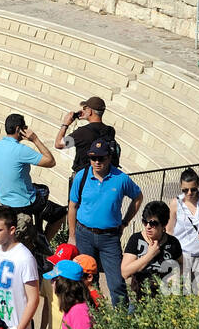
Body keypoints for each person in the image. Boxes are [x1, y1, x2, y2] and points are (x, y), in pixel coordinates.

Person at [68, 139, 143, 308]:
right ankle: (93, 320)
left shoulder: (121, 179)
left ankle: (120, 323)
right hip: (84, 235)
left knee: (116, 282)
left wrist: (125, 222)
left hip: (109, 238)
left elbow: (138, 197)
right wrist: (72, 236)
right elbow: (72, 206)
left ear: (109, 158)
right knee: (87, 280)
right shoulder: (82, 176)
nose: (96, 162)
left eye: (101, 158)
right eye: (93, 158)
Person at [0, 113, 66, 243]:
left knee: (39, 189)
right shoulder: (20, 150)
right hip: (22, 203)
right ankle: (43, 241)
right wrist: (35, 139)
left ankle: (37, 230)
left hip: (5, 199)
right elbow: (51, 161)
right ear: (19, 129)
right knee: (58, 212)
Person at [122, 201, 183, 304]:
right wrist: (149, 255)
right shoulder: (136, 239)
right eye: (145, 222)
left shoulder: (173, 242)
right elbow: (125, 272)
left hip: (165, 300)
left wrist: (174, 276)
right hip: (139, 299)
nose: (148, 227)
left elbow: (183, 264)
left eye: (153, 223)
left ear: (164, 225)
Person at [55, 97, 117, 175]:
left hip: (84, 177)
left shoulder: (82, 132)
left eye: (85, 108)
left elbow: (58, 144)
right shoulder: (110, 131)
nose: (83, 110)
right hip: (103, 174)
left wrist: (65, 124)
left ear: (90, 111)